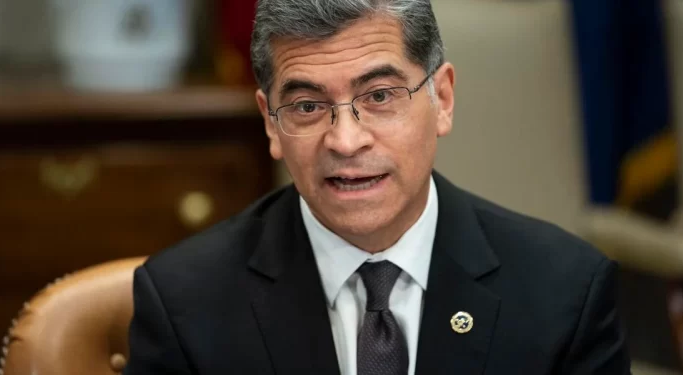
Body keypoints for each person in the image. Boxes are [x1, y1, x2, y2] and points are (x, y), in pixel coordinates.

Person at [123, 0, 631, 374]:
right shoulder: (184, 304)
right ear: (270, 124)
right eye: (306, 106)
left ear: (443, 99)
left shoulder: (565, 292)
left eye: (380, 95)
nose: (346, 141)